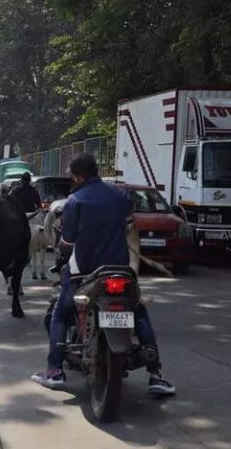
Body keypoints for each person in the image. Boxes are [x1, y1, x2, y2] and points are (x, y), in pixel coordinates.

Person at [31, 154, 175, 396]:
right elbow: (129, 228)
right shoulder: (120, 196)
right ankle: (156, 374)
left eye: (71, 176)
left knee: (61, 313)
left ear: (77, 176)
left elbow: (68, 241)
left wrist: (61, 251)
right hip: (120, 269)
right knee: (137, 310)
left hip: (84, 272)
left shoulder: (75, 201)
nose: (71, 180)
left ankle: (54, 371)